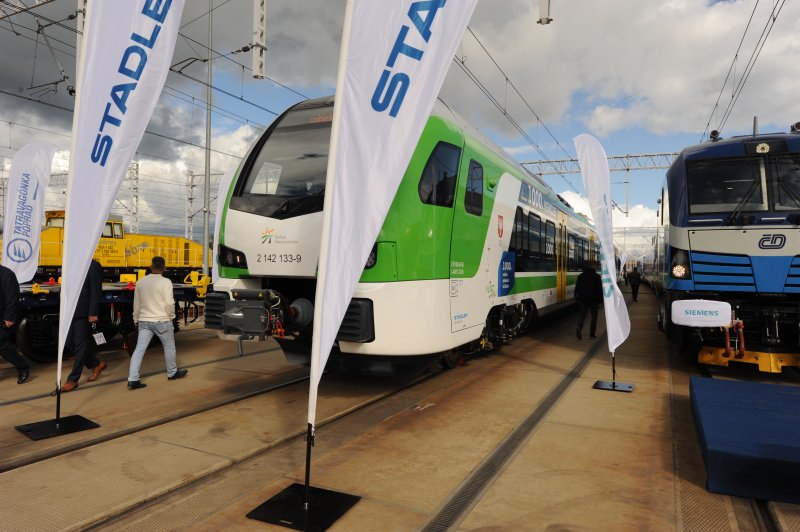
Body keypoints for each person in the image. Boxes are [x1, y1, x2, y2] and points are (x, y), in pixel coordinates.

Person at [127, 256, 186, 389]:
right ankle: (172, 373)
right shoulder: (166, 282)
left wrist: (136, 319)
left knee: (139, 349)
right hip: (161, 320)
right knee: (169, 347)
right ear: (164, 268)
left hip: (144, 321)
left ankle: (133, 379)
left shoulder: (141, 282)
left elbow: (136, 304)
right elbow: (169, 303)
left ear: (150, 266)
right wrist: (171, 317)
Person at [61, 259, 106, 392]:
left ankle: (72, 379)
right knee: (69, 343)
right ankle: (96, 364)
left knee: (80, 344)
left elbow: (96, 290)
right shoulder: (70, 263)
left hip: (83, 311)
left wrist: (93, 312)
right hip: (70, 311)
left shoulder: (92, 265)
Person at [0, 265, 31, 384]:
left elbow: (12, 297)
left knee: (2, 345)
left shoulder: (7, 274)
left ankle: (23, 366)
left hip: (2, 317)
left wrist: (9, 317)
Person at [574, 261, 603, 340]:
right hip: (593, 300)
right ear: (593, 267)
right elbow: (599, 290)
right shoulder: (596, 276)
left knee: (582, 315)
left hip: (583, 299)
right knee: (594, 317)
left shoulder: (580, 276)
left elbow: (577, 288)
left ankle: (579, 327)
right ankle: (592, 333)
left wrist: (576, 297)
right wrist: (600, 301)